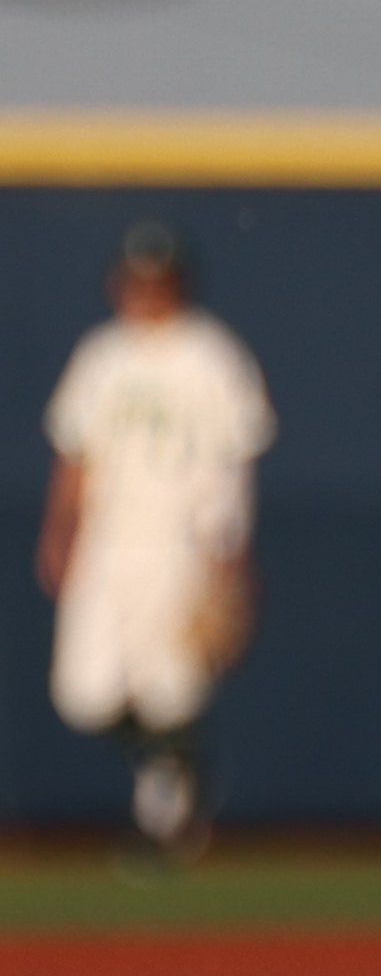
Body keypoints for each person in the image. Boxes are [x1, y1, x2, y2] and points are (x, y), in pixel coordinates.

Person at [37, 222, 275, 860]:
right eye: (134, 279)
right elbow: (75, 452)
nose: (142, 292)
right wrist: (58, 532)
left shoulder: (212, 355)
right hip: (106, 541)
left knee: (170, 689)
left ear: (178, 283)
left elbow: (235, 465)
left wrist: (230, 559)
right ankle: (176, 774)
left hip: (180, 545)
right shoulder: (103, 353)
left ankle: (166, 825)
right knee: (82, 696)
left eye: (155, 280)